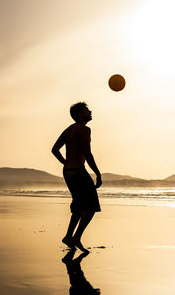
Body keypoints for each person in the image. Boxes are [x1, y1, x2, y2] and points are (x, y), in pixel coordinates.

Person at [51, 102, 102, 252]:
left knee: (79, 206)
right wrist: (98, 173)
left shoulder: (69, 129)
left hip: (68, 172)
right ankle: (76, 237)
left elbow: (54, 149)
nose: (90, 111)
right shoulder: (84, 129)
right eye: (87, 110)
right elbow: (87, 153)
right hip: (79, 172)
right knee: (91, 206)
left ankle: (68, 236)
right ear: (80, 114)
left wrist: (66, 163)